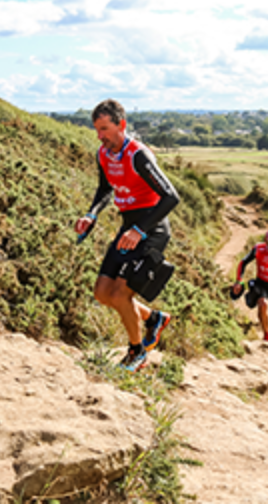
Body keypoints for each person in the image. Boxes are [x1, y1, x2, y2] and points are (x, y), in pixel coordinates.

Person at [74, 99, 180, 372]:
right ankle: (153, 318)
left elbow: (170, 197)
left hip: (151, 229)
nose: (100, 136)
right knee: (101, 293)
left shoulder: (138, 156)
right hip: (128, 228)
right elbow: (105, 189)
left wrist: (140, 229)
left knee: (120, 294)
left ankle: (138, 352)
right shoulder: (104, 154)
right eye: (97, 130)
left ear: (121, 125)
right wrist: (91, 214)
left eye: (105, 129)